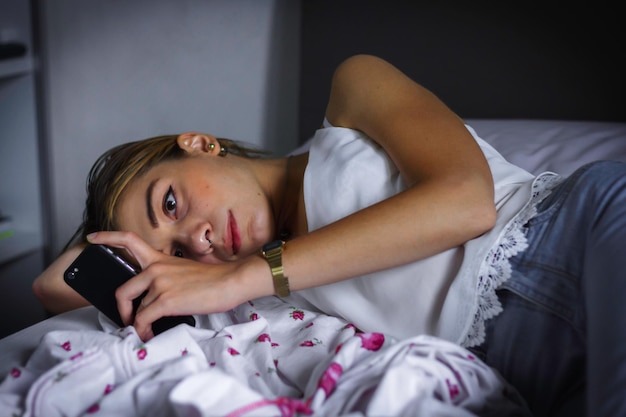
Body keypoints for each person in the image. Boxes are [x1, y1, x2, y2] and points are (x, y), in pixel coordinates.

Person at [32, 54, 626, 417]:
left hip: (581, 234)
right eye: (181, 254)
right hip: (532, 373)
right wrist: (145, 254)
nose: (201, 240)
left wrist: (242, 275)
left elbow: (465, 203)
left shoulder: (351, 94)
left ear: (200, 143)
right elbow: (51, 287)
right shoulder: (273, 281)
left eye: (171, 202)